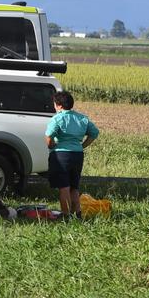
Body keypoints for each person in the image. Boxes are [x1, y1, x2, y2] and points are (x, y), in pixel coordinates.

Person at [45, 90, 99, 220]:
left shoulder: (57, 118)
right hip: (77, 155)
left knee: (64, 187)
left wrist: (51, 145)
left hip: (61, 155)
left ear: (58, 105)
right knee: (74, 187)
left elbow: (48, 137)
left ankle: (66, 215)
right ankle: (78, 214)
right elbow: (94, 133)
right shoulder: (82, 118)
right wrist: (82, 145)